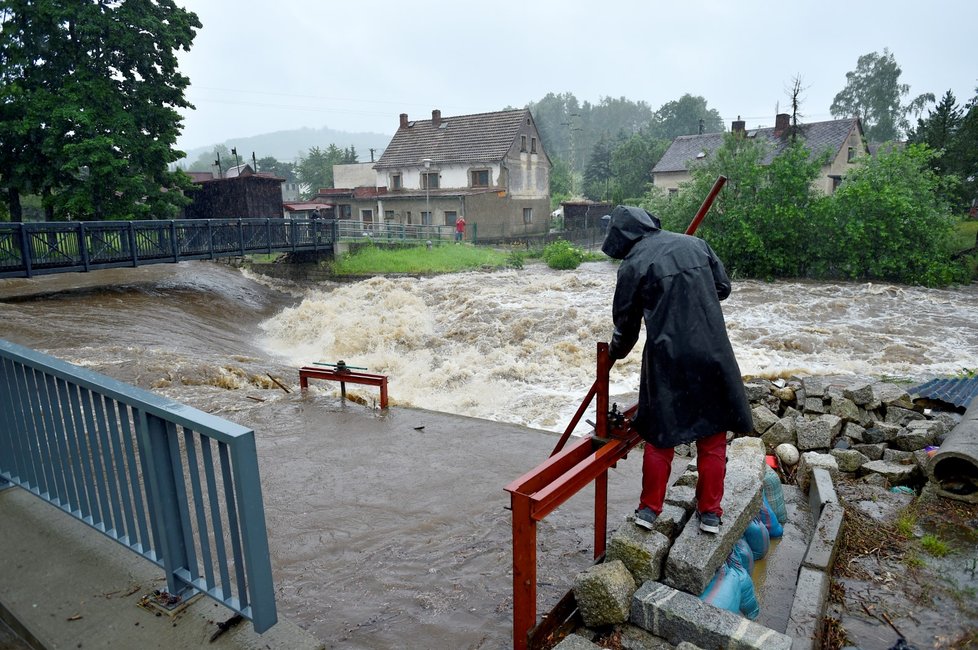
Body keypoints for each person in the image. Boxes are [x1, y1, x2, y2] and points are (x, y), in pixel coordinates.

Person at [601, 205, 752, 534]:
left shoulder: (633, 265)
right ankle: (710, 514)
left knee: (660, 436)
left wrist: (611, 356)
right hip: (712, 351)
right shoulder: (695, 245)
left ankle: (648, 511)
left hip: (667, 359)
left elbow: (626, 327)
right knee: (713, 437)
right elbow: (722, 288)